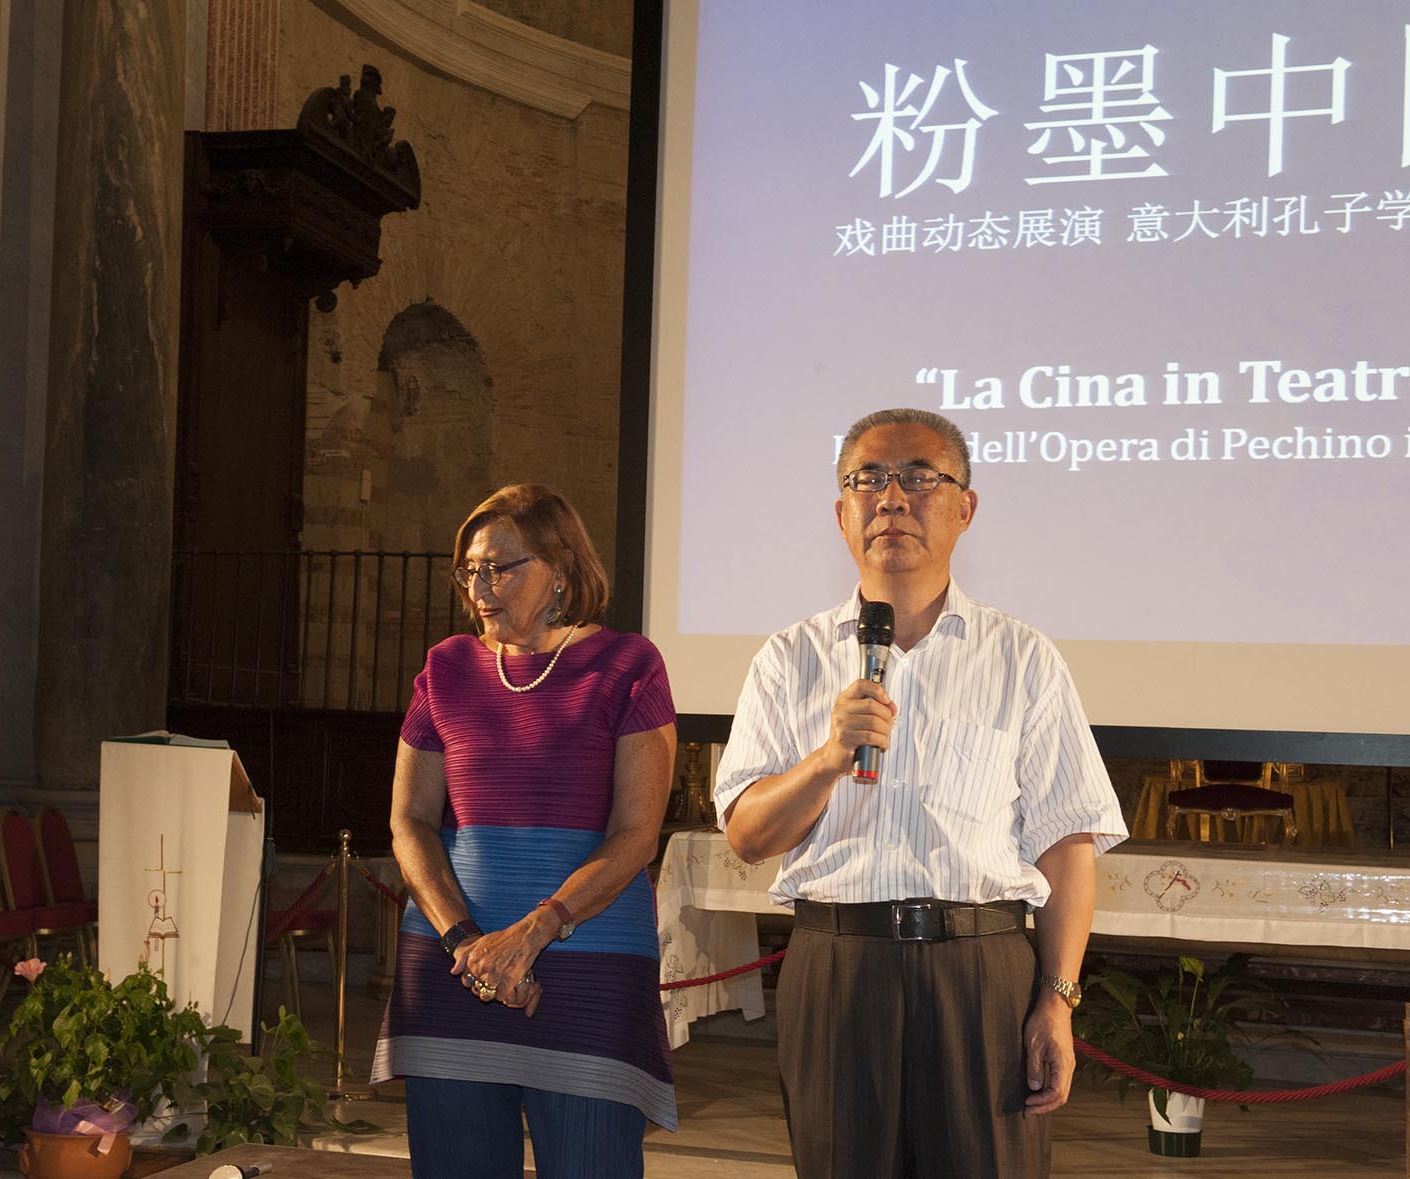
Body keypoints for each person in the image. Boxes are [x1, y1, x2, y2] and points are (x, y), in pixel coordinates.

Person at [715, 408, 1127, 1179]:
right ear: (841, 514)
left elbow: (1068, 844)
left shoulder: (1023, 657)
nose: (891, 497)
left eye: (918, 476)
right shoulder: (788, 658)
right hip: (839, 966)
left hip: (983, 971)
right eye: (867, 478)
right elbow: (746, 833)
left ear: (965, 507)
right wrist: (828, 758)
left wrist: (1058, 1000)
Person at [371, 483, 679, 1179]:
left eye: (501, 566)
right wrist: (467, 941)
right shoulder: (445, 668)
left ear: (561, 566)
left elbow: (637, 833)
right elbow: (409, 819)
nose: (480, 584)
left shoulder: (627, 665)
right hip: (454, 967)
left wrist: (532, 933)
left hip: (586, 961)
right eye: (469, 568)